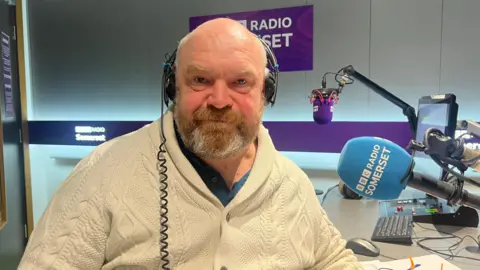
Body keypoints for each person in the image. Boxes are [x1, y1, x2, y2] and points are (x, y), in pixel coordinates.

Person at [19, 18, 361, 269]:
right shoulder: (103, 173)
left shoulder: (292, 183)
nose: (219, 99)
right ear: (173, 89)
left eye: (241, 82)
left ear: (265, 94)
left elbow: (332, 258)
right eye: (200, 80)